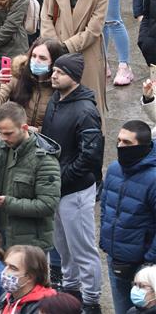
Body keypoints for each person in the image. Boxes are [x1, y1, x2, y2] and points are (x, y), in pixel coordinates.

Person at [40, 52, 104, 313]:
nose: (53, 75)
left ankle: (90, 301)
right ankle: (71, 291)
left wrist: (61, 179)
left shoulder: (86, 111)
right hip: (58, 189)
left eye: (60, 72)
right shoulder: (56, 99)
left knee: (83, 250)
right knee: (64, 249)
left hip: (75, 191)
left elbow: (90, 157)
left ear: (75, 78)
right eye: (54, 70)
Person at [41, 0, 109, 115]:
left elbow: (94, 30)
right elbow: (45, 18)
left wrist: (67, 47)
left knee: (87, 108)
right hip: (55, 54)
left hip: (86, 55)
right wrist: (55, 47)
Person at [0, 102, 61, 252]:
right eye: (0, 132)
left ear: (24, 128)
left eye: (8, 133)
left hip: (29, 246)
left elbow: (47, 205)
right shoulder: (2, 149)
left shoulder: (44, 160)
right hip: (0, 237)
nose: (3, 138)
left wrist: (8, 203)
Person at [100, 120, 156, 314]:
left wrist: (149, 261)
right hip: (116, 260)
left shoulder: (154, 179)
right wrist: (106, 243)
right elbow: (105, 207)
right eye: (119, 141)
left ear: (143, 146)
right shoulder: (114, 169)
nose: (120, 146)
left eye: (127, 143)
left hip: (143, 265)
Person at [0, 37, 65, 130]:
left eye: (42, 58)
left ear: (54, 62)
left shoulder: (61, 85)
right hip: (16, 135)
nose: (36, 61)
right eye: (34, 56)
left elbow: (62, 124)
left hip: (45, 140)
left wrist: (38, 131)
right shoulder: (17, 73)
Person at [0, 245, 57, 313]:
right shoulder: (5, 298)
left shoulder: (42, 308)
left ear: (30, 277)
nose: (5, 271)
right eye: (6, 265)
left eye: (13, 268)